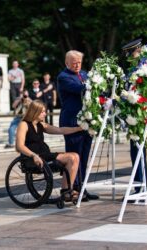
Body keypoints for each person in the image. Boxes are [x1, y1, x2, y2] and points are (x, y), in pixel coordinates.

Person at [16, 100, 81, 199]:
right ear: (35, 111)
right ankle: (66, 191)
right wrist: (34, 155)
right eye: (42, 112)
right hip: (31, 158)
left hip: (44, 155)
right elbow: (19, 146)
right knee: (71, 158)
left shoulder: (41, 124)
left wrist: (78, 129)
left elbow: (60, 130)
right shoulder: (24, 124)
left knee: (75, 156)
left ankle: (67, 190)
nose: (45, 114)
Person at [57, 50, 99, 200]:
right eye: (74, 62)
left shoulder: (85, 74)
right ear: (66, 62)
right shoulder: (63, 77)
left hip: (87, 121)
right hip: (72, 122)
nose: (77, 65)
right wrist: (97, 85)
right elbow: (80, 89)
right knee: (75, 156)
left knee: (85, 155)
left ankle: (82, 188)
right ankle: (73, 188)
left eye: (79, 62)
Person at [122, 38, 147, 195]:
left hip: (146, 116)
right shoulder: (132, 71)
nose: (130, 57)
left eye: (131, 53)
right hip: (134, 117)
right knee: (136, 153)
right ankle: (139, 187)